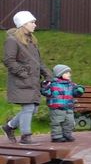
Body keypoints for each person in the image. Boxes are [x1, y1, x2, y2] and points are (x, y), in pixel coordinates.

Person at [2, 11, 52, 145]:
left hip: (33, 81)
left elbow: (38, 62)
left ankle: (9, 126)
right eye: (32, 22)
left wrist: (48, 75)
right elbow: (9, 60)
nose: (35, 25)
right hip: (21, 81)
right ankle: (26, 136)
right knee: (29, 108)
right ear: (23, 24)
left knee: (32, 108)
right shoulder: (12, 41)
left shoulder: (32, 41)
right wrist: (23, 73)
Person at [41, 64, 85, 143]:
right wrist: (44, 86)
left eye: (69, 73)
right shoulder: (52, 84)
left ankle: (67, 134)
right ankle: (56, 136)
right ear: (60, 74)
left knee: (70, 122)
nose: (69, 74)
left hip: (68, 107)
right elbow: (46, 93)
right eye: (67, 73)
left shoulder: (71, 84)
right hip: (57, 108)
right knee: (57, 122)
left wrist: (79, 90)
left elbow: (75, 93)